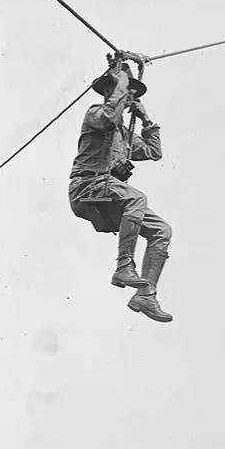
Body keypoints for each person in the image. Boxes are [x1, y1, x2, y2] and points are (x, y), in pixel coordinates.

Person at [68, 56, 174, 323]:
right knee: (137, 198)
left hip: (108, 196)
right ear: (110, 92)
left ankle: (146, 294)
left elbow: (153, 152)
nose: (127, 98)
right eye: (124, 93)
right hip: (87, 187)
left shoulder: (125, 135)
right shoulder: (95, 113)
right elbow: (108, 118)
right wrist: (122, 82)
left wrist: (146, 118)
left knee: (162, 230)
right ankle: (124, 266)